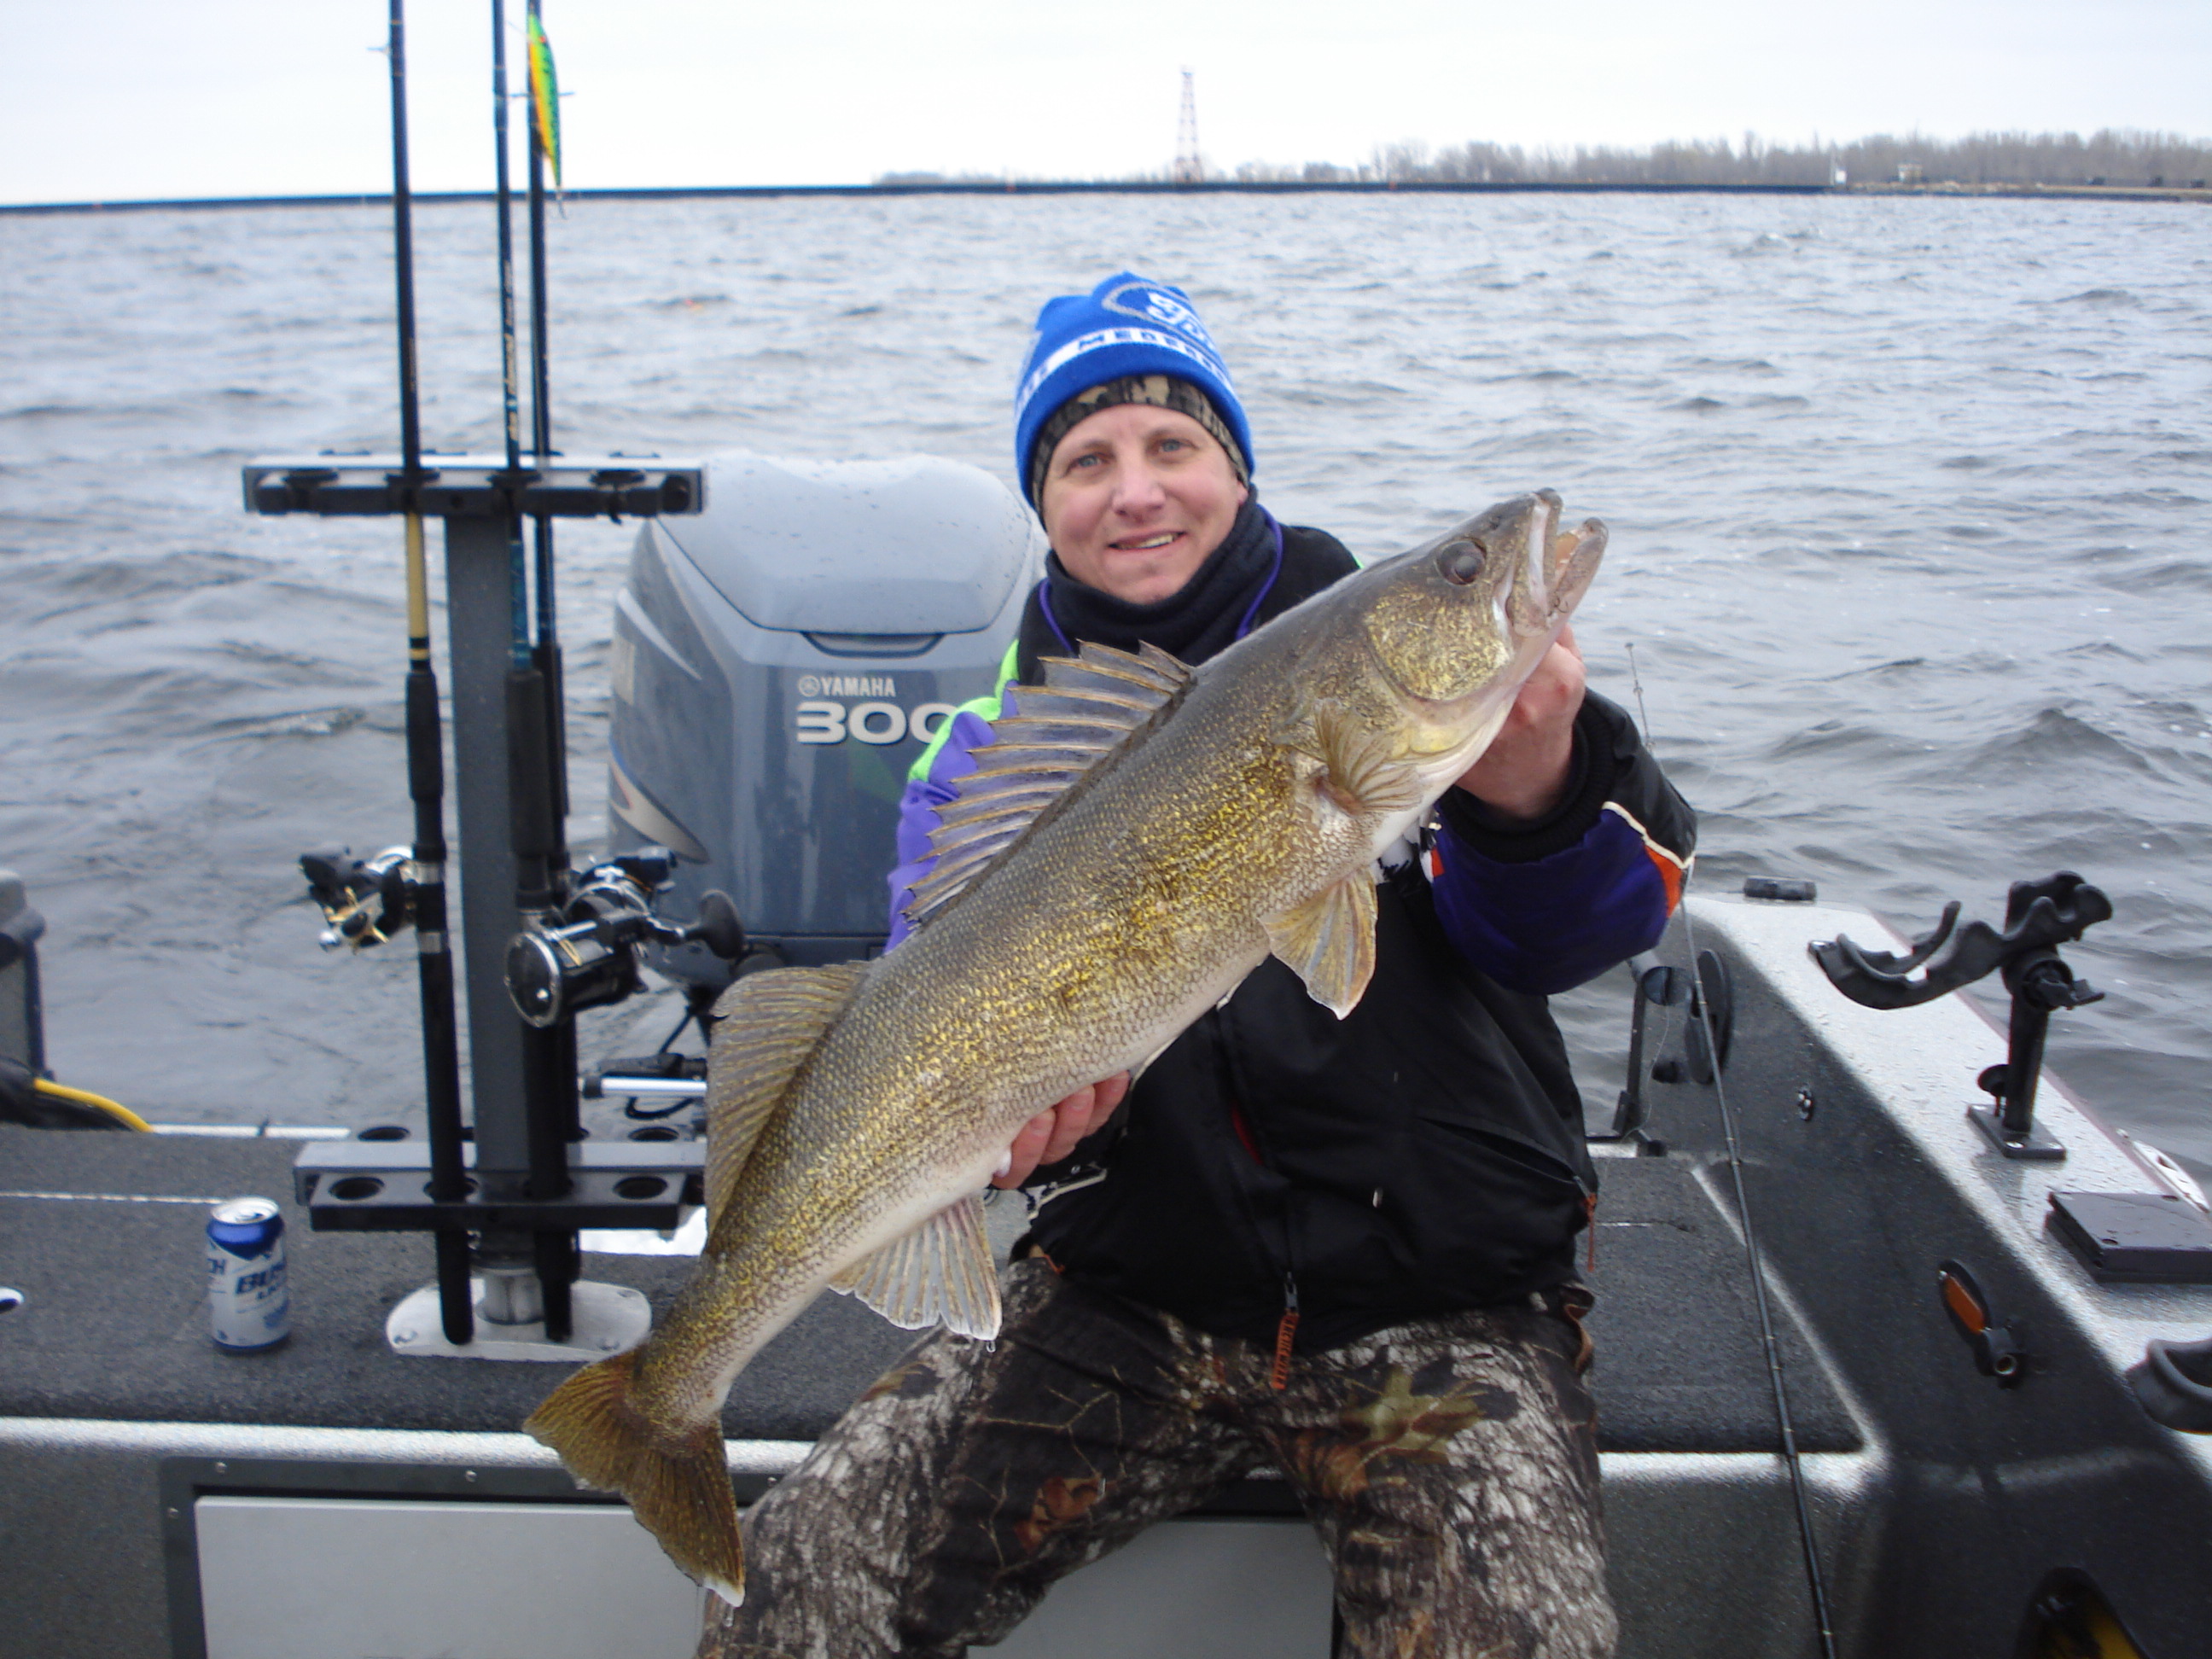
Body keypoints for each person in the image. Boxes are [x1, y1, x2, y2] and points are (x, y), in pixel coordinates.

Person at [701, 272, 1695, 1659]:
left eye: (1175, 445)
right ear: (1040, 506)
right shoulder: (985, 754)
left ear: (1236, 469)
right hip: (1125, 1299)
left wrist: (1533, 786)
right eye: (1085, 460)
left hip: (1435, 1308)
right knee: (799, 1578)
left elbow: (1564, 937)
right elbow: (947, 1053)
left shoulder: (1375, 679)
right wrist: (1031, 1150)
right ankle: (664, 1407)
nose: (1136, 490)